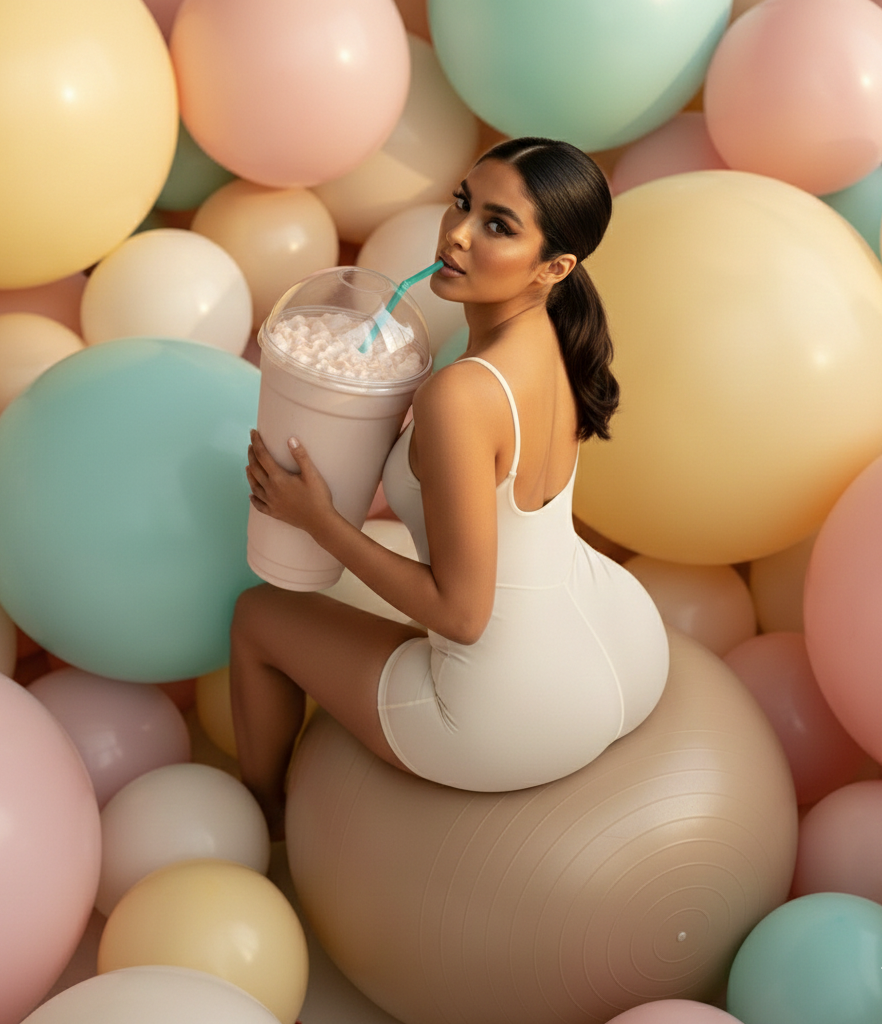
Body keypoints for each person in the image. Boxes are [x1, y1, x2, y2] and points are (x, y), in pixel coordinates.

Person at [232, 137, 669, 835]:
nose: (458, 234)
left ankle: (263, 820)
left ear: (555, 266)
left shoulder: (462, 396)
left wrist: (317, 522)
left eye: (498, 225)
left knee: (257, 616)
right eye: (464, 203)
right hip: (626, 641)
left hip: (511, 710)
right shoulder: (557, 333)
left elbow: (463, 615)